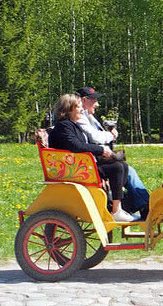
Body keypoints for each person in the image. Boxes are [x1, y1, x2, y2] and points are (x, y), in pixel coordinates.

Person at [49, 94, 138, 222]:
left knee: (122, 165)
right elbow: (76, 146)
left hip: (78, 165)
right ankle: (116, 210)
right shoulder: (64, 126)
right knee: (117, 167)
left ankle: (117, 205)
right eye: (78, 106)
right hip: (73, 169)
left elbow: (81, 145)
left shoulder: (72, 125)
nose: (82, 110)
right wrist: (101, 150)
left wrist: (103, 151)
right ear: (69, 109)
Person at [76, 87, 150, 219]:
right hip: (91, 160)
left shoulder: (89, 117)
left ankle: (140, 206)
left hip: (95, 156)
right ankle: (141, 207)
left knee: (126, 167)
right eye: (94, 100)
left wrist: (109, 136)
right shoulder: (80, 118)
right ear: (83, 100)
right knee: (125, 169)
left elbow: (97, 136)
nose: (97, 104)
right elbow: (95, 137)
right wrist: (110, 135)